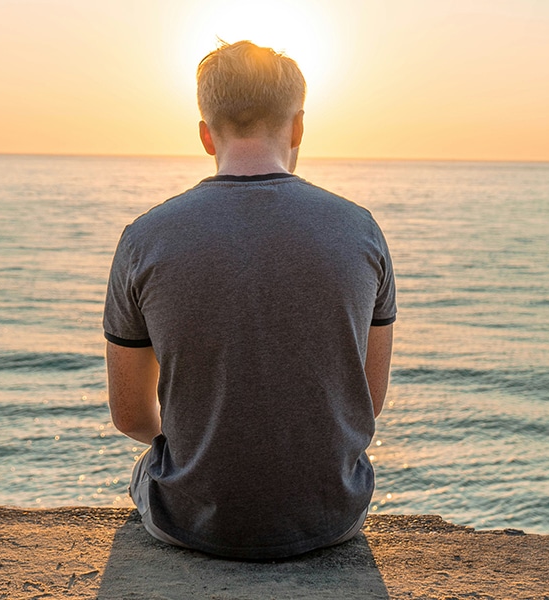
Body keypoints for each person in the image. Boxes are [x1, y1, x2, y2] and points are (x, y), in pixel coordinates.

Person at [103, 40, 396, 560]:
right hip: (332, 515)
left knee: (150, 466)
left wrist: (202, 439)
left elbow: (130, 416)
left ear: (204, 136)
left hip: (190, 519)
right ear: (299, 126)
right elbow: (366, 404)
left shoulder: (144, 239)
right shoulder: (362, 232)